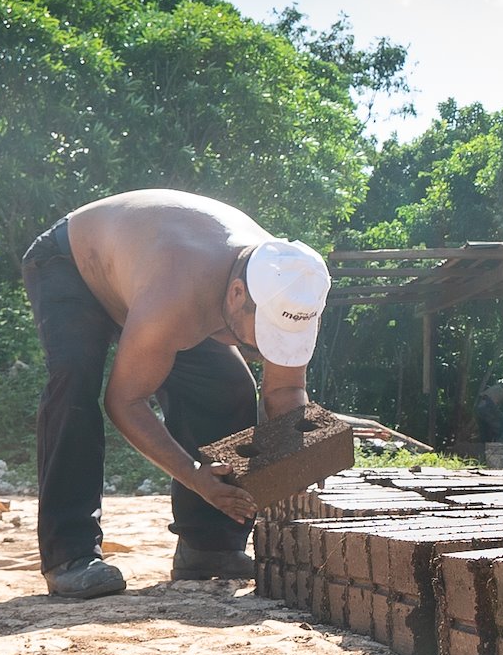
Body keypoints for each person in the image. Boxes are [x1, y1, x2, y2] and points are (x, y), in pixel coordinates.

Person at [19, 189, 331, 598]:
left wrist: (300, 458)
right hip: (73, 263)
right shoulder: (178, 293)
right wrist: (197, 476)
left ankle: (209, 547)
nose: (269, 347)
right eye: (266, 332)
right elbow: (125, 400)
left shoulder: (293, 291)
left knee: (231, 386)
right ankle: (69, 555)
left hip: (150, 278)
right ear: (238, 295)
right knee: (74, 383)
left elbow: (287, 389)